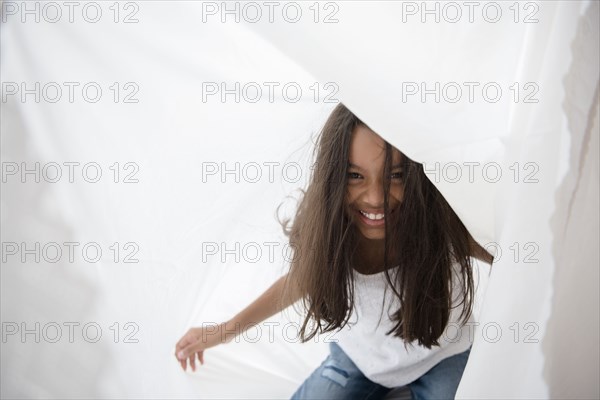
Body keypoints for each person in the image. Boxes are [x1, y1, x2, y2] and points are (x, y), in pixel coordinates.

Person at [175, 103, 493, 399]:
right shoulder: (331, 233)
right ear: (333, 178)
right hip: (362, 360)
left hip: (442, 356)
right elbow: (299, 282)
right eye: (355, 176)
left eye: (394, 176)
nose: (374, 198)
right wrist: (224, 331)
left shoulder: (440, 221)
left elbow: (506, 257)